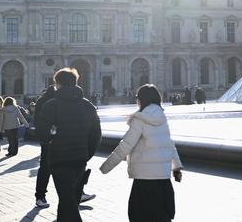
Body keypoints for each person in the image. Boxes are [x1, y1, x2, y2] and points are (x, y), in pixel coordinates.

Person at [100, 85, 184, 222]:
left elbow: (125, 145)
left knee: (139, 215)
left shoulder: (140, 119)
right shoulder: (162, 117)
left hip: (144, 179)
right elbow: (169, 144)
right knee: (161, 215)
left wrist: (105, 167)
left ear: (142, 99)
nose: (136, 100)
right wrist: (176, 168)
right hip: (163, 178)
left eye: (137, 98)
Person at [36, 68, 103, 222]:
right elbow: (96, 135)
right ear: (75, 82)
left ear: (57, 84)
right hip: (80, 160)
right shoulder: (88, 106)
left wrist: (50, 142)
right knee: (69, 199)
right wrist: (87, 153)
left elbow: (41, 132)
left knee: (68, 200)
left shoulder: (51, 106)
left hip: (58, 159)